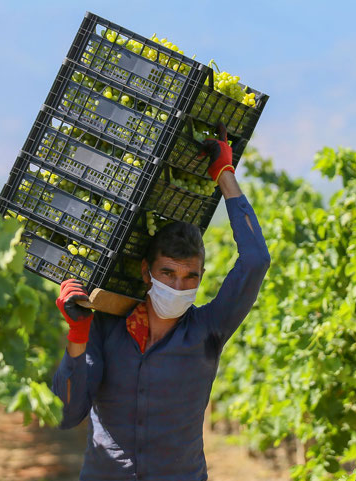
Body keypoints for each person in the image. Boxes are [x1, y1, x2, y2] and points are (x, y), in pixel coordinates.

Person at [49, 125, 271, 480]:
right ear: (146, 272)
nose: (179, 286)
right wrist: (77, 335)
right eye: (168, 273)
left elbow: (256, 260)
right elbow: (69, 411)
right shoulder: (105, 327)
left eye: (190, 277)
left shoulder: (208, 330)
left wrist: (224, 175)